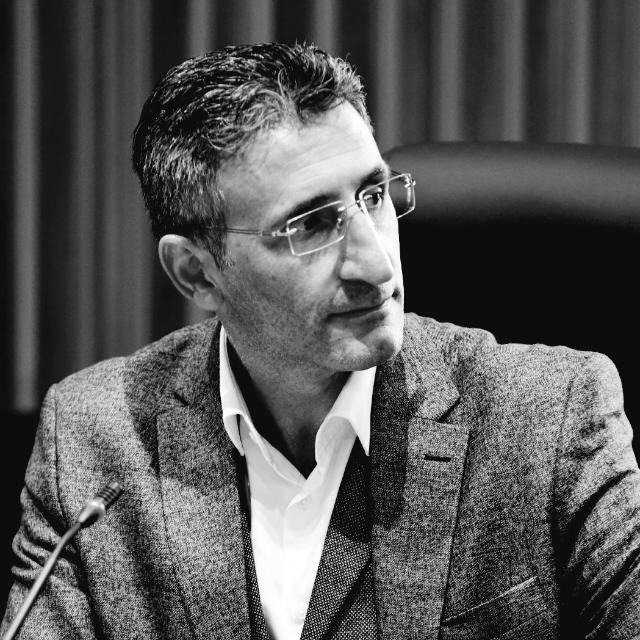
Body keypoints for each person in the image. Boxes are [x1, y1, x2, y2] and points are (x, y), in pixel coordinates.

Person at [2, 42, 639, 640]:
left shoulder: (551, 418)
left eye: (374, 196)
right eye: (310, 225)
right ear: (197, 273)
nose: (377, 265)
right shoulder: (93, 442)